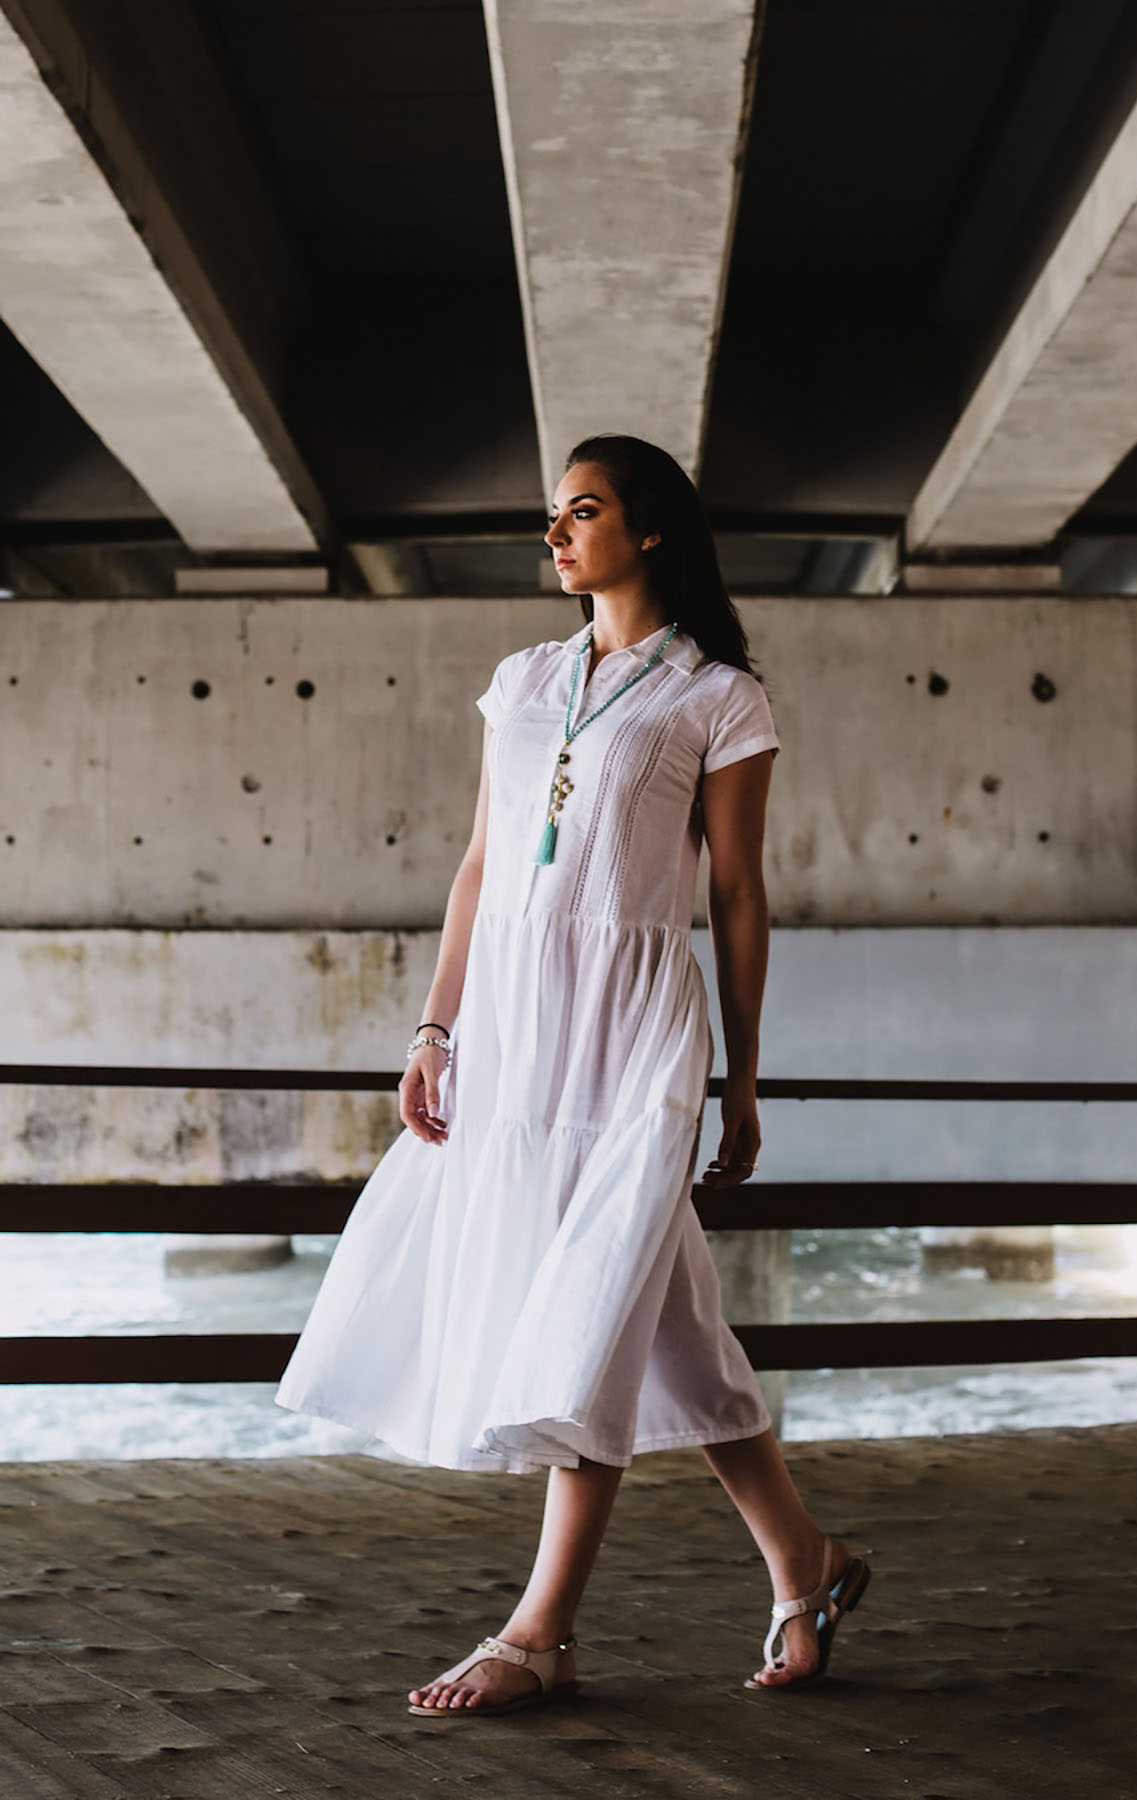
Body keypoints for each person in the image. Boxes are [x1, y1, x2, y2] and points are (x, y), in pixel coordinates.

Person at [274, 433, 870, 1717]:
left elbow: (738, 896)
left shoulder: (716, 696)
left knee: (586, 1311)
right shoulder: (524, 678)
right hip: (514, 1030)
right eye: (551, 515)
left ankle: (539, 1632)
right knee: (666, 1323)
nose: (554, 535)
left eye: (580, 511)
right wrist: (436, 1031)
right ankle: (805, 1564)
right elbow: (482, 868)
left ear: (647, 528)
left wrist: (747, 1078)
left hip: (634, 1031)